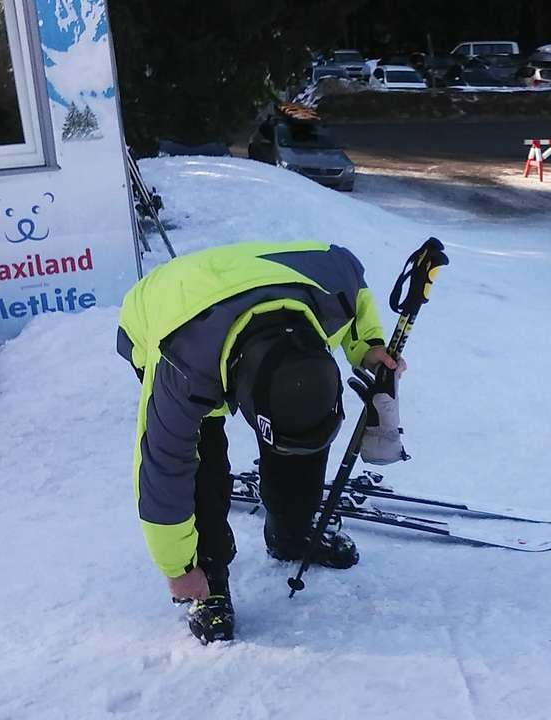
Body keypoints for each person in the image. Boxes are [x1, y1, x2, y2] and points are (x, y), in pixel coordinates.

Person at [116, 241, 405, 643]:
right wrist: (178, 567)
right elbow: (162, 472)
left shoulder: (334, 285)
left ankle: (291, 531)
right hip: (165, 312)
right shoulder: (181, 368)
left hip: (259, 284)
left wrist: (368, 347)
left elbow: (355, 295)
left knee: (301, 419)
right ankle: (208, 577)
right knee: (202, 458)